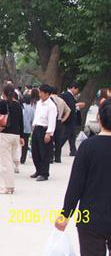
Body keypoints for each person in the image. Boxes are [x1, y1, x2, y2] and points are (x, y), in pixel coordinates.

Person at [55, 99, 111, 256]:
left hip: (90, 218)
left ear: (99, 118)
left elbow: (76, 185)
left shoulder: (88, 147)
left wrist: (65, 214)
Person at [0, 84, 24, 194]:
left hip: (6, 134)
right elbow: (21, 122)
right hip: (16, 135)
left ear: (4, 93)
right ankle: (10, 185)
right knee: (11, 161)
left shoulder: (3, 104)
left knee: (6, 162)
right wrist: (22, 136)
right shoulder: (18, 105)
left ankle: (9, 187)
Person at [31, 84, 57, 181]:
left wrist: (49, 133)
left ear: (47, 93)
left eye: (41, 92)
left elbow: (52, 120)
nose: (39, 94)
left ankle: (44, 173)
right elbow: (36, 116)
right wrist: (33, 127)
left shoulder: (51, 106)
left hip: (45, 130)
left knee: (44, 152)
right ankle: (38, 170)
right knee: (35, 151)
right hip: (37, 128)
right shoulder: (39, 103)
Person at [60, 83, 83, 156]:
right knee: (66, 134)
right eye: (77, 90)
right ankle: (57, 147)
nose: (77, 92)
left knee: (72, 135)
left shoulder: (71, 96)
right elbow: (69, 106)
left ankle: (73, 150)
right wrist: (77, 105)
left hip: (72, 118)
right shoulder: (66, 95)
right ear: (73, 88)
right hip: (68, 118)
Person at [50, 87, 71, 163]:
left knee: (51, 139)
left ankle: (50, 157)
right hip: (59, 122)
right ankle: (58, 158)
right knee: (58, 141)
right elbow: (68, 110)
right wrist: (63, 119)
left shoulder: (49, 100)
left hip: (52, 121)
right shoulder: (61, 100)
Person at [20, 94, 35, 164]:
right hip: (28, 129)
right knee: (25, 145)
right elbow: (32, 119)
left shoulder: (21, 107)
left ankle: (16, 157)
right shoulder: (32, 109)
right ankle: (23, 158)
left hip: (20, 128)